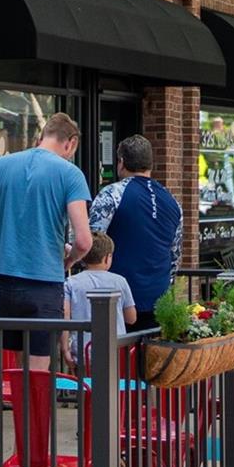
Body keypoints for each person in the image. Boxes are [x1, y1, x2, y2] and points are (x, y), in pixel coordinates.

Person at [0, 112, 92, 369]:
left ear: (41, 136)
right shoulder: (70, 174)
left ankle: (11, 409)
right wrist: (67, 261)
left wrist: (7, 240)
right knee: (38, 372)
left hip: (4, 280)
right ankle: (36, 411)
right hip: (44, 282)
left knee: (10, 368)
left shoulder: (0, 166)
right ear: (70, 143)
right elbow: (83, 241)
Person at [89, 134, 182, 333]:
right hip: (159, 296)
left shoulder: (111, 194)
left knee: (115, 360)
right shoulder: (172, 201)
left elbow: (93, 242)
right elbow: (175, 255)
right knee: (149, 360)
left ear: (121, 162)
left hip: (116, 298)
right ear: (150, 163)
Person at [61, 233, 136, 368]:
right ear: (107, 257)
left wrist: (65, 350)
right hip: (115, 351)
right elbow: (131, 318)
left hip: (83, 352)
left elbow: (65, 318)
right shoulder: (120, 281)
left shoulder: (71, 283)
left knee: (83, 387)